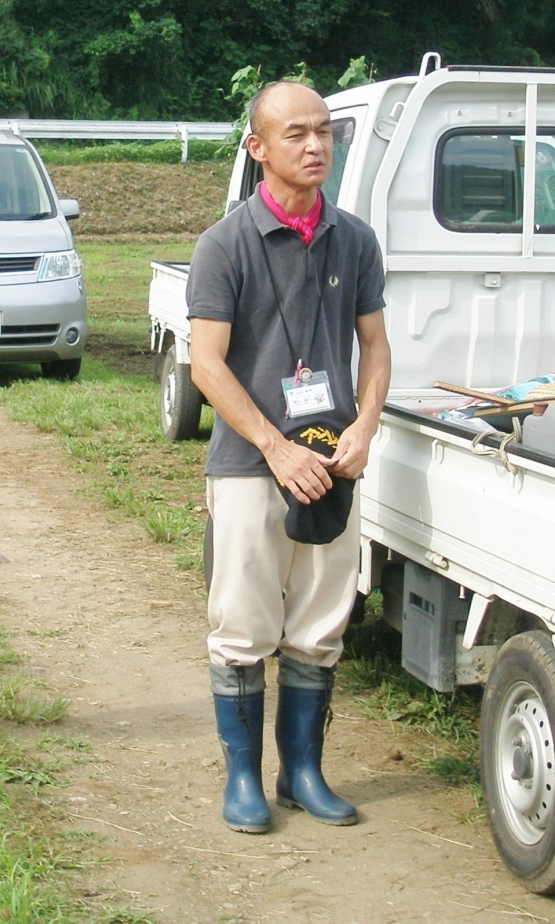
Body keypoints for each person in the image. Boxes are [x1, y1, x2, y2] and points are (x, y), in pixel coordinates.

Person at [185, 80, 391, 832]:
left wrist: (364, 425)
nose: (315, 147)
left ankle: (302, 770)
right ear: (258, 146)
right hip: (251, 463)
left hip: (333, 462)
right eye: (297, 133)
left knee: (319, 623)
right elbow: (207, 365)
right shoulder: (225, 245)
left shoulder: (355, 239)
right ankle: (242, 777)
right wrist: (273, 447)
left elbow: (374, 345)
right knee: (241, 624)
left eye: (325, 133)